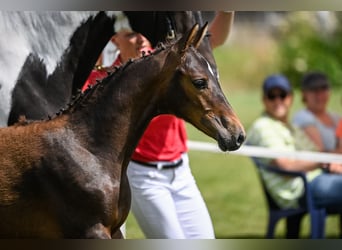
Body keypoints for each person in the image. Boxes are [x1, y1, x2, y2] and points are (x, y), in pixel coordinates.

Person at [83, 11, 235, 239]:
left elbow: (214, 39)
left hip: (181, 171)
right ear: (114, 40)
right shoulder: (102, 82)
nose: (142, 39)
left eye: (145, 34)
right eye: (132, 34)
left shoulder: (169, 64)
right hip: (143, 177)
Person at [246, 74, 342, 212]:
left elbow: (316, 154)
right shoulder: (262, 126)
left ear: (290, 98)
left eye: (283, 95)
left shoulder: (292, 127)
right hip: (300, 190)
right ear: (264, 100)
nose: (278, 100)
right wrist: (322, 161)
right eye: (272, 96)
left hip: (315, 180)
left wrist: (331, 164)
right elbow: (285, 166)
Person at [292, 72, 340, 153]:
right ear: (304, 94)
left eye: (323, 89)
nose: (319, 95)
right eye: (314, 90)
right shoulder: (303, 118)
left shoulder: (336, 117)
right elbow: (319, 154)